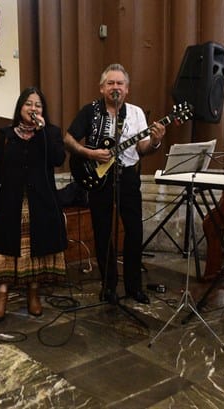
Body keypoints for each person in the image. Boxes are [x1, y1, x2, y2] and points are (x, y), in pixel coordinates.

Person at [64, 63, 166, 305]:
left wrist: (155, 142)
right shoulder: (90, 111)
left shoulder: (136, 113)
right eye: (110, 83)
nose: (115, 87)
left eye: (120, 83)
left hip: (128, 177)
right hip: (99, 178)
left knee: (134, 231)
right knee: (102, 232)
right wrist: (90, 154)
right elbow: (68, 139)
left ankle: (133, 287)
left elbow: (142, 148)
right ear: (102, 88)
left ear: (127, 89)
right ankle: (108, 286)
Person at [0, 86, 68, 322]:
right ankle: (1, 295)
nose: (33, 108)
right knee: (6, 248)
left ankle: (33, 293)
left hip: (40, 202)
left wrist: (41, 132)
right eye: (29, 104)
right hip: (9, 201)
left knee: (34, 247)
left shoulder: (50, 133)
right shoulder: (6, 134)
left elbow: (58, 159)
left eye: (38, 105)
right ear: (20, 107)